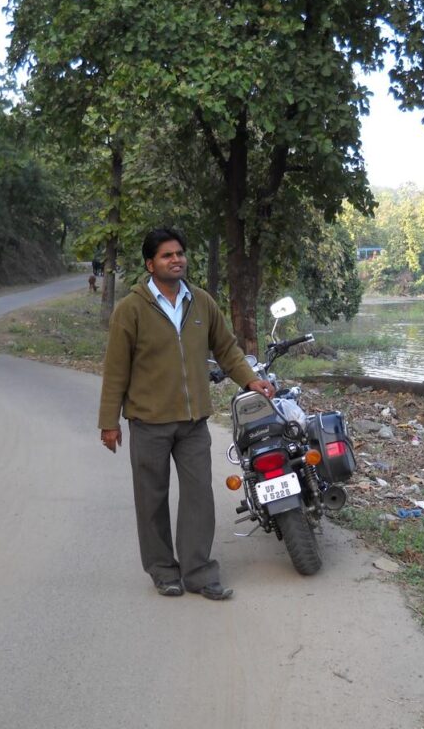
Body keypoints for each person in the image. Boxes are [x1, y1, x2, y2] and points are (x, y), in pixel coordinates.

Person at [97, 226, 274, 600]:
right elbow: (115, 371)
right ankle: (163, 570)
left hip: (193, 423)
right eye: (166, 255)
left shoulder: (201, 302)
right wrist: (109, 422)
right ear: (150, 264)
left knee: (199, 497)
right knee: (151, 500)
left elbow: (226, 349)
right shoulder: (130, 310)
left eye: (179, 253)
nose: (176, 259)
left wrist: (249, 380)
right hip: (148, 423)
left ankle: (198, 572)